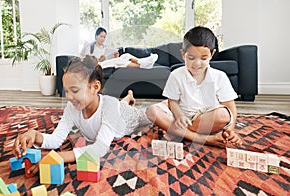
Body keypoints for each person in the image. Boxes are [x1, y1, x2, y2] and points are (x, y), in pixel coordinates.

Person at [12, 55, 153, 175]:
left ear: (95, 87)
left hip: (127, 118)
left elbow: (100, 147)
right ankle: (128, 97)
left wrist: (61, 157)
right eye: (66, 91)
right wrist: (35, 135)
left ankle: (142, 100)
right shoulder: (72, 107)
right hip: (114, 108)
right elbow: (55, 140)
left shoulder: (110, 106)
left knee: (148, 114)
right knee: (120, 104)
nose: (68, 97)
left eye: (74, 90)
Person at [146, 26, 242, 148]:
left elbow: (230, 107)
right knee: (152, 111)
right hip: (181, 117)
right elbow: (173, 102)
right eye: (191, 58)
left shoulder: (219, 77)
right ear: (183, 54)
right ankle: (203, 138)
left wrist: (230, 131)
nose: (197, 64)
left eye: (203, 58)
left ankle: (180, 132)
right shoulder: (176, 75)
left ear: (212, 54)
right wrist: (179, 116)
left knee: (224, 115)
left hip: (204, 117)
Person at [80, 27, 158, 69]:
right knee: (120, 60)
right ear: (96, 36)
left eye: (104, 37)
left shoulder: (105, 48)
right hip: (98, 65)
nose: (103, 39)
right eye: (101, 36)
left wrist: (114, 56)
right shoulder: (90, 47)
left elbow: (108, 59)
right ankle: (144, 64)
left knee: (125, 55)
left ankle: (142, 62)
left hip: (105, 63)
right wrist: (98, 59)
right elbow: (86, 61)